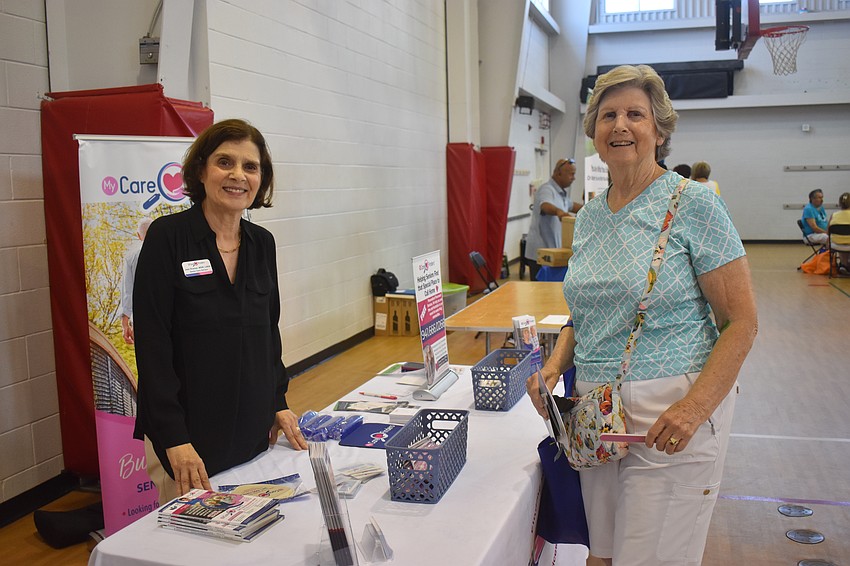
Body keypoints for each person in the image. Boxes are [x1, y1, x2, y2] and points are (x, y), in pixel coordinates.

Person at [525, 65, 758, 566]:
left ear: (660, 129)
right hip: (596, 416)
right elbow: (581, 318)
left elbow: (741, 323)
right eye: (608, 115)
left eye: (635, 113)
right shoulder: (588, 217)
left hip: (671, 415)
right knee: (602, 556)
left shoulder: (694, 204)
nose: (620, 125)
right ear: (593, 134)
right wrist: (552, 366)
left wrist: (695, 409)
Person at [133, 119, 308, 502]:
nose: (237, 175)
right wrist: (174, 438)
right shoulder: (168, 238)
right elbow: (152, 345)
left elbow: (267, 334)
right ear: (201, 170)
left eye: (250, 166)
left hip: (251, 429)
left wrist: (278, 402)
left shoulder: (263, 243)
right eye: (224, 162)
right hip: (187, 435)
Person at [524, 158, 583, 281]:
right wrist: (559, 212)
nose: (574, 178)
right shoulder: (546, 189)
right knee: (539, 294)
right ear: (558, 173)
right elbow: (545, 205)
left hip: (553, 253)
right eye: (571, 174)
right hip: (540, 255)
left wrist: (594, 209)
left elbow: (574, 206)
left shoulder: (561, 193)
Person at [119, 216, 153, 344]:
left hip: (142, 319)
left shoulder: (131, 258)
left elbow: (128, 292)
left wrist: (125, 324)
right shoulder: (171, 253)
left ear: (138, 235)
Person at [828, 191, 850, 273]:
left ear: (840, 204)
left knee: (842, 240)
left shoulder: (834, 215)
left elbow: (828, 231)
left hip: (837, 245)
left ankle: (844, 265)